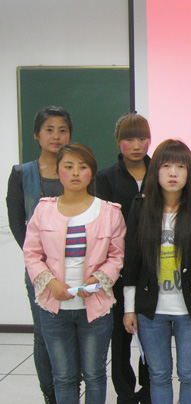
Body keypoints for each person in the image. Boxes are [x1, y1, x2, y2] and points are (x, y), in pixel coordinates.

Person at [24, 142, 126, 404]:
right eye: (68, 167)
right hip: (54, 309)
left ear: (92, 172)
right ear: (58, 172)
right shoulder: (44, 210)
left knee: (94, 374)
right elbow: (32, 254)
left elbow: (116, 257)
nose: (76, 173)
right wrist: (51, 283)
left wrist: (97, 281)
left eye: (82, 167)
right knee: (64, 377)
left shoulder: (109, 212)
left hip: (96, 308)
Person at [122, 140, 191, 404]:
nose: (173, 173)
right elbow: (131, 262)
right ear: (155, 171)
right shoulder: (140, 206)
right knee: (159, 374)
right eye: (166, 166)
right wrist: (129, 309)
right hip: (151, 307)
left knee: (189, 373)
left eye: (180, 166)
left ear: (190, 172)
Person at [6, 106, 73, 404]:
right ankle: (51, 394)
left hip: (77, 266)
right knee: (44, 334)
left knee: (73, 333)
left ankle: (70, 389)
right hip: (40, 270)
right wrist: (38, 262)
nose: (56, 136)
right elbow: (17, 222)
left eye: (62, 130)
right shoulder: (22, 174)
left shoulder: (78, 168)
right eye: (49, 130)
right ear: (36, 134)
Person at [96, 112, 151, 404]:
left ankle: (150, 389)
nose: (137, 145)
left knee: (152, 332)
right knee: (120, 335)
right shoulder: (105, 178)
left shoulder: (161, 171)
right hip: (119, 266)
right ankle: (125, 394)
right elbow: (103, 225)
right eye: (129, 139)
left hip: (155, 266)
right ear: (118, 141)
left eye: (142, 138)